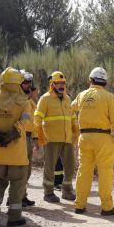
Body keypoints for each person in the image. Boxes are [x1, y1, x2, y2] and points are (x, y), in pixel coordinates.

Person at [0, 67, 31, 226]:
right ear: (19, 83)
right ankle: (14, 216)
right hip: (16, 153)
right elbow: (25, 122)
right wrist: (11, 134)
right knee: (17, 183)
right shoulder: (24, 103)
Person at [72, 67, 114, 216]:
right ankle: (107, 207)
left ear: (90, 80)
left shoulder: (82, 95)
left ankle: (80, 205)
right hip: (103, 139)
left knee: (84, 171)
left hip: (85, 138)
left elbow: (72, 106)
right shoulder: (109, 97)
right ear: (105, 82)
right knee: (105, 172)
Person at [34, 71, 78, 203]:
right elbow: (37, 118)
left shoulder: (67, 99)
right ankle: (48, 192)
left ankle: (67, 191)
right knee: (50, 166)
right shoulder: (45, 98)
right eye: (58, 83)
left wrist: (76, 130)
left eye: (63, 83)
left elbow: (72, 117)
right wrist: (39, 134)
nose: (61, 86)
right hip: (51, 139)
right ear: (52, 84)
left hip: (67, 138)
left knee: (70, 165)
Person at [19, 70, 38, 207]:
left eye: (30, 83)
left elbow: (32, 121)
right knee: (21, 169)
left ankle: (22, 196)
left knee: (27, 169)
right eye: (25, 82)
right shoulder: (19, 100)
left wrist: (36, 138)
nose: (28, 85)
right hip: (20, 137)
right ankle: (16, 197)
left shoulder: (29, 102)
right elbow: (23, 121)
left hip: (28, 137)